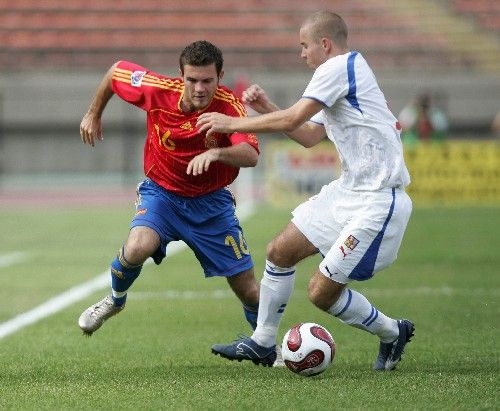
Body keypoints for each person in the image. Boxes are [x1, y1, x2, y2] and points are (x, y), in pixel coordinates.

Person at [197, 11, 415, 371]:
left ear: (324, 44)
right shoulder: (339, 76)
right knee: (279, 251)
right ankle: (263, 343)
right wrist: (266, 107)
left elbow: (294, 119)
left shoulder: (338, 68)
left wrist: (232, 121)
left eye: (304, 46)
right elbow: (310, 136)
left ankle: (393, 332)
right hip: (349, 192)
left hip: (378, 201)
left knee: (320, 293)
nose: (302, 54)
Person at [78, 41, 262, 339]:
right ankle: (114, 300)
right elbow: (115, 72)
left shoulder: (231, 106)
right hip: (161, 193)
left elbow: (251, 154)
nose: (200, 88)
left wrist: (217, 154)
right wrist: (93, 113)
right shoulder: (158, 89)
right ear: (181, 76)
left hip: (211, 204)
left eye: (207, 81)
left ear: (220, 76)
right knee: (137, 246)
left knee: (249, 290)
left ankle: (269, 345)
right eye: (192, 80)